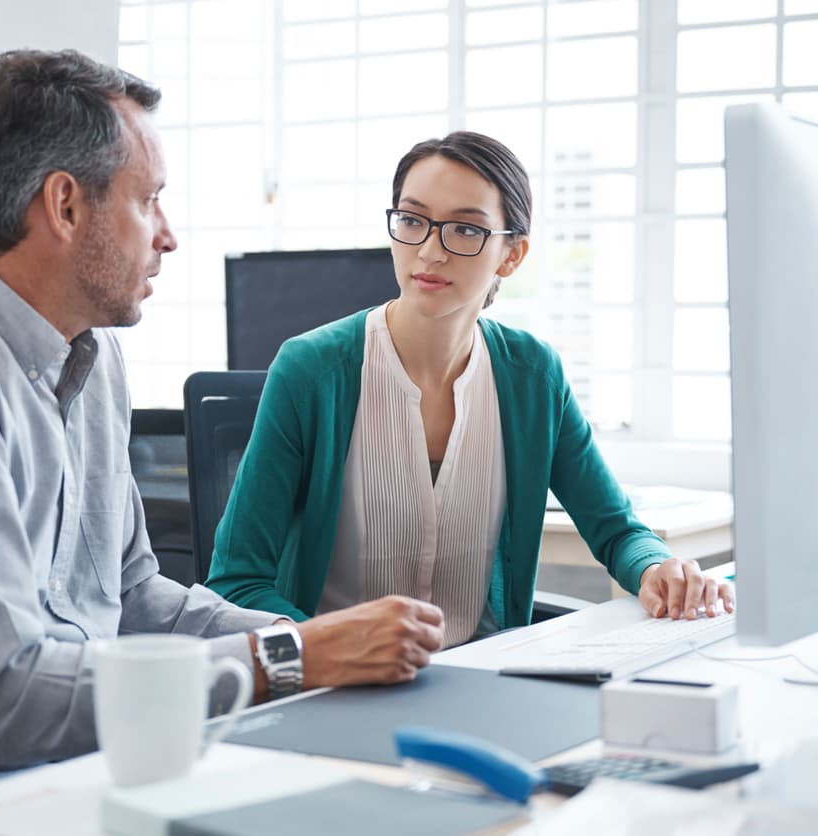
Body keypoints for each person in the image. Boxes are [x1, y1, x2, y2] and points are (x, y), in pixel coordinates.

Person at [0, 50, 443, 836]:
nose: (170, 237)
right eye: (150, 201)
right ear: (66, 207)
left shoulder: (88, 354)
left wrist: (327, 640)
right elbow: (7, 697)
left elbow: (136, 599)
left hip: (52, 791)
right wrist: (294, 662)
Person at [205, 131, 734, 647]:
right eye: (412, 220)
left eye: (465, 229)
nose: (430, 251)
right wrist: (327, 644)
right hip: (337, 685)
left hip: (485, 677)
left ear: (512, 255)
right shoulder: (312, 370)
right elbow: (235, 583)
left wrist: (656, 566)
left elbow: (618, 531)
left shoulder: (533, 376)